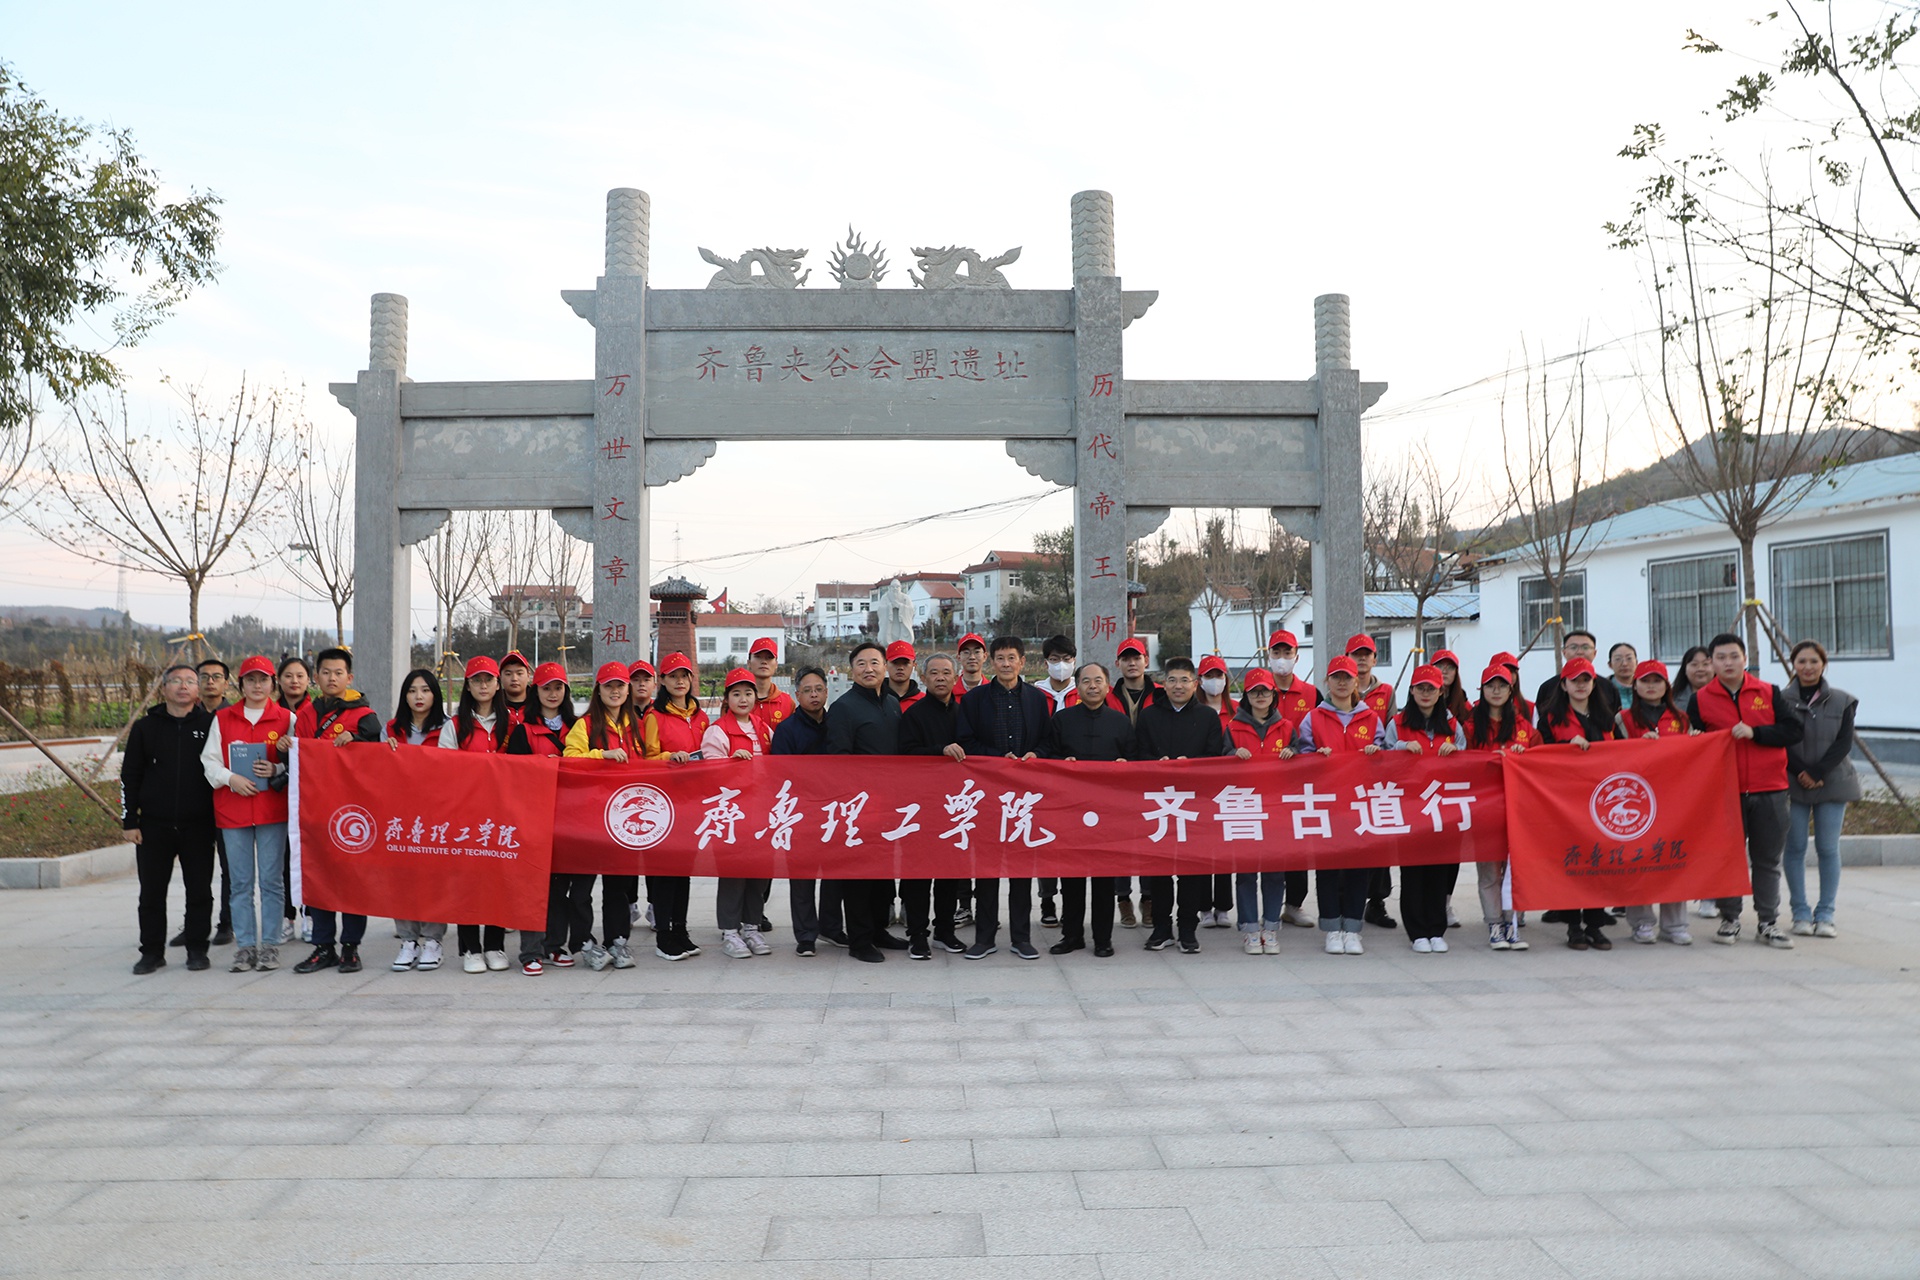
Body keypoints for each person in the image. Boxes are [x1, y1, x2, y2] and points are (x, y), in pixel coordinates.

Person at [1689, 633, 1805, 948]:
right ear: (1712, 663)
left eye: (1733, 656)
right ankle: (1730, 919)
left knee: (1767, 860)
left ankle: (1768, 922)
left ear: (1745, 659)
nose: (1728, 663)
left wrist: (1756, 733)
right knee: (1728, 858)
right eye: (1721, 657)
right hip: (1725, 793)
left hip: (1770, 789)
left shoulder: (1768, 692)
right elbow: (1694, 739)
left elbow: (1794, 731)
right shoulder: (1700, 699)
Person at [956, 635, 1051, 960]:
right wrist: (998, 758)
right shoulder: (974, 700)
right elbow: (966, 741)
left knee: (1021, 868)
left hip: (1023, 797)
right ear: (991, 661)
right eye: (1000, 658)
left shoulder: (1037, 699)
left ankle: (1021, 937)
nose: (1006, 664)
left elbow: (1048, 741)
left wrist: (1036, 754)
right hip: (987, 794)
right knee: (986, 869)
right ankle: (984, 937)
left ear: (1022, 662)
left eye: (1012, 658)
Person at [198, 656, 292, 973]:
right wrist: (230, 779)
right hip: (233, 811)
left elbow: (300, 760)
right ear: (240, 685)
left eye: (263, 679)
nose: (257, 685)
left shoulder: (286, 718)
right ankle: (246, 946)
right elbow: (209, 761)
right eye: (250, 680)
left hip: (272, 811)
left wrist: (277, 768)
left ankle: (271, 945)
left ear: (272, 684)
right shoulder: (223, 718)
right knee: (240, 883)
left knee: (272, 881)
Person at [122, 664, 217, 975]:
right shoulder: (145, 728)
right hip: (153, 825)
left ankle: (197, 949)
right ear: (164, 688)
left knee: (199, 891)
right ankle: (151, 952)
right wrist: (130, 820)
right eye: (176, 681)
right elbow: (130, 775)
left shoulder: (211, 725)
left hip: (199, 824)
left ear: (198, 689)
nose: (183, 686)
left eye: (190, 681)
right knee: (151, 893)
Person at [292, 646, 381, 975]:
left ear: (350, 677)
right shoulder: (306, 715)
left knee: (353, 880)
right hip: (316, 809)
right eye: (326, 672)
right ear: (316, 677)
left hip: (353, 812)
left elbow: (377, 759)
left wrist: (355, 740)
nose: (332, 678)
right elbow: (300, 757)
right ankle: (323, 947)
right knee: (319, 877)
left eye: (338, 673)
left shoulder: (364, 716)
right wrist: (288, 748)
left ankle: (351, 948)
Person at [1135, 656, 1230, 955]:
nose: (1178, 686)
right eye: (1172, 680)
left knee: (1192, 871)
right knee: (1159, 870)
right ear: (1163, 683)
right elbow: (1138, 753)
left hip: (1194, 804)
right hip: (1158, 803)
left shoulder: (1207, 717)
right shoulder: (1149, 715)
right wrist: (1157, 763)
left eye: (1184, 680)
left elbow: (1214, 757)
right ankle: (1161, 929)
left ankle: (1188, 930)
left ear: (1195, 684)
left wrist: (1191, 765)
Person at [823, 640, 910, 962]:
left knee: (883, 875)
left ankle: (878, 930)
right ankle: (859, 941)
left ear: (885, 667)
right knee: (859, 876)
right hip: (859, 807)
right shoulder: (844, 708)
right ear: (852, 670)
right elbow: (838, 760)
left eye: (875, 662)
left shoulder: (892, 703)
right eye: (861, 663)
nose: (869, 669)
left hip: (890, 804)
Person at [570, 661, 663, 963]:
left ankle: (617, 940)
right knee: (581, 888)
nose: (615, 691)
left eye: (620, 685)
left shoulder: (635, 726)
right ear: (597, 690)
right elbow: (570, 759)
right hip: (588, 817)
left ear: (627, 690)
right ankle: (583, 942)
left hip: (621, 820)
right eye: (608, 685)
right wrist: (603, 755)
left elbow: (647, 761)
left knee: (619, 886)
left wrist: (672, 759)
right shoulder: (585, 725)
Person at [1290, 655, 1383, 955]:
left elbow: (1385, 758)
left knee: (1358, 868)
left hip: (1360, 804)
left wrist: (1376, 753)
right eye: (1336, 677)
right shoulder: (1313, 718)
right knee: (1328, 869)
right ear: (1327, 681)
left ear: (1357, 682)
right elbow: (1302, 755)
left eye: (1347, 678)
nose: (1341, 683)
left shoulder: (1371, 718)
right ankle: (1332, 928)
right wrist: (1315, 756)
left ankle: (1352, 929)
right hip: (1326, 804)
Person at [1042, 662, 1135, 959]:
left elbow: (1135, 760)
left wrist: (1125, 766)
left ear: (1107, 686)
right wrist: (1062, 763)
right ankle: (1072, 935)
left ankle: (1103, 938)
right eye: (1086, 681)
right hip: (1071, 810)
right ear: (1077, 686)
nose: (1092, 686)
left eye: (1098, 681)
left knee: (1104, 879)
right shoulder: (1062, 719)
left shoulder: (1120, 722)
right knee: (1071, 876)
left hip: (1108, 812)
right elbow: (1048, 757)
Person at [1535, 657, 1621, 951]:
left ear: (1594, 684)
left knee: (1599, 862)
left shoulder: (1607, 717)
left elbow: (1624, 751)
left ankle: (1595, 925)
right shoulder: (1550, 719)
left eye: (1586, 680)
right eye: (1575, 681)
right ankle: (1573, 926)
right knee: (1572, 864)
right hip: (1566, 802)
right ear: (1564, 685)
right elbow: (1540, 755)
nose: (1581, 685)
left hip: (1602, 801)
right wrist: (1565, 747)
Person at [1382, 665, 1465, 954]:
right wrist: (1400, 747)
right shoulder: (1398, 723)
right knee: (1413, 872)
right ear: (1412, 691)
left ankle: (1436, 929)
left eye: (1431, 688)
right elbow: (1382, 758)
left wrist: (1456, 751)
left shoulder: (1452, 725)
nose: (1426, 693)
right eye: (1420, 688)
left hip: (1442, 808)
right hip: (1410, 808)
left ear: (1441, 692)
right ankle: (1417, 931)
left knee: (1439, 871)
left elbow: (1467, 759)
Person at [1613, 659, 1696, 946]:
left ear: (1666, 686)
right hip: (1638, 801)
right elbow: (1613, 758)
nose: (1651, 686)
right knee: (1638, 861)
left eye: (1656, 681)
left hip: (1674, 800)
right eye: (1645, 681)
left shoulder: (1681, 718)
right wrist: (1637, 746)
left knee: (1673, 859)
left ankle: (1675, 925)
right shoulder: (1622, 719)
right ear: (1635, 686)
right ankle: (1642, 923)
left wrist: (1695, 742)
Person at [895, 653, 970, 958]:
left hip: (956, 807)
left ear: (956, 678)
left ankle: (945, 931)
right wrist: (940, 751)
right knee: (918, 874)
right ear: (923, 678)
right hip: (921, 806)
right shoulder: (914, 715)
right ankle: (917, 934)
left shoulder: (965, 713)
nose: (940, 678)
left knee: (950, 873)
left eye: (946, 673)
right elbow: (905, 753)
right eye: (934, 673)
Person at [440, 656, 510, 973]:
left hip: (502, 817)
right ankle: (470, 948)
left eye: (488, 680)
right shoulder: (454, 726)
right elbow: (444, 770)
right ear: (467, 686)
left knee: (498, 881)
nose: (483, 686)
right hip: (466, 817)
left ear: (497, 684)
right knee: (467, 883)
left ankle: (495, 945)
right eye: (476, 680)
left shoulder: (512, 725)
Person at [1784, 640, 1857, 939]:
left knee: (1828, 848)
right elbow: (1780, 740)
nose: (1808, 667)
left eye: (1814, 661)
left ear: (1824, 664)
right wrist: (1801, 771)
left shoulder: (1842, 700)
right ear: (1793, 664)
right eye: (1802, 661)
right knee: (1795, 848)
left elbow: (1844, 742)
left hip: (1832, 780)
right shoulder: (1780, 700)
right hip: (1792, 781)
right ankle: (1800, 913)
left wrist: (1817, 772)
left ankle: (1826, 913)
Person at [510, 662, 580, 973]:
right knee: (533, 886)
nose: (553, 694)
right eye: (546, 688)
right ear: (535, 691)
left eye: (558, 687)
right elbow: (514, 775)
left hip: (569, 818)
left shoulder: (577, 728)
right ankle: (531, 952)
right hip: (534, 818)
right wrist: (544, 766)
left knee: (561, 887)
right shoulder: (523, 731)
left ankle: (555, 945)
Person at [700, 668, 774, 960]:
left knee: (759, 872)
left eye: (748, 693)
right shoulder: (718, 730)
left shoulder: (763, 728)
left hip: (761, 812)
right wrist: (732, 762)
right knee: (733, 873)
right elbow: (710, 771)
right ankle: (730, 931)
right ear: (727, 699)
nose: (743, 699)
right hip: (731, 814)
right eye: (736, 694)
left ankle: (752, 926)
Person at [772, 667, 846, 956]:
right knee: (802, 877)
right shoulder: (787, 730)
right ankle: (805, 936)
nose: (814, 695)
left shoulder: (838, 724)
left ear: (827, 692)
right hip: (800, 812)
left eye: (818, 689)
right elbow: (780, 774)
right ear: (797, 695)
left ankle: (831, 928)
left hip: (834, 811)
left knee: (835, 874)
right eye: (807, 690)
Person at [639, 652, 707, 961]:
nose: (680, 681)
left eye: (684, 675)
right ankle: (664, 935)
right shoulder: (655, 716)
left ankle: (681, 930)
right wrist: (670, 757)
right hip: (666, 802)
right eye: (673, 676)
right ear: (663, 681)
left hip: (692, 801)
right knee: (667, 870)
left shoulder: (701, 716)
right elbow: (648, 757)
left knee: (684, 871)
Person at [1465, 665, 1537, 953]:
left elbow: (1541, 759)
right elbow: (1460, 764)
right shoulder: (1471, 727)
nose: (1496, 691)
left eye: (1502, 686)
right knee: (1489, 872)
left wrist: (1524, 755)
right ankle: (1494, 924)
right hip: (1484, 808)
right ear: (1482, 690)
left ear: (1511, 690)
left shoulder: (1523, 727)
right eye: (1490, 686)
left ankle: (1513, 923)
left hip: (1518, 808)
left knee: (1516, 869)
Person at [382, 668, 449, 971]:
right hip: (401, 815)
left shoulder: (448, 728)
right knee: (402, 877)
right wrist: (385, 753)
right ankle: (408, 940)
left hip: (435, 814)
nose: (418, 696)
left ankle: (433, 940)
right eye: (412, 691)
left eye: (425, 690)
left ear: (435, 695)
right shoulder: (391, 729)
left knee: (434, 878)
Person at [1226, 668, 1292, 955]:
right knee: (1246, 873)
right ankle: (1250, 929)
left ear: (1273, 695)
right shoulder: (1233, 728)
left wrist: (1293, 754)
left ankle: (1271, 927)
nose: (1261, 696)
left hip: (1277, 810)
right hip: (1244, 809)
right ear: (1246, 696)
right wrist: (1232, 755)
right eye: (1255, 692)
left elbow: (1303, 762)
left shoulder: (1287, 727)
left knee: (1275, 872)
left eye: (1265, 691)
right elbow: (1218, 762)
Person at [1341, 636, 1398, 930]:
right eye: (1356, 654)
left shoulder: (1386, 692)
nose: (1362, 659)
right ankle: (1345, 901)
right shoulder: (1338, 689)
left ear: (1375, 659)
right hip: (1342, 780)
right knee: (1347, 840)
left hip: (1376, 778)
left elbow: (1392, 730)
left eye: (1367, 654)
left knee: (1377, 840)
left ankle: (1376, 902)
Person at [179, 656, 235, 949]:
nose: (210, 682)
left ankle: (227, 923)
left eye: (216, 677)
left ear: (227, 683)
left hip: (227, 801)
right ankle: (194, 925)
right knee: (196, 870)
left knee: (230, 868)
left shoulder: (234, 716)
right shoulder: (185, 716)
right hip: (194, 804)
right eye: (204, 677)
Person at [1268, 630, 1319, 930]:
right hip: (1267, 784)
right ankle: (1271, 905)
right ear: (1269, 656)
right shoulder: (1258, 690)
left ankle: (1294, 905)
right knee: (1273, 846)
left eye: (1287, 653)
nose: (1282, 659)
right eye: (1277, 653)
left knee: (1299, 845)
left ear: (1297, 657)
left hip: (1301, 782)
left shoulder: (1311, 694)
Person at [1190, 654, 1239, 930]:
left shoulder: (1237, 711)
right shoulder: (1195, 711)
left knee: (1223, 852)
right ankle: (1204, 908)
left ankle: (1223, 907)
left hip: (1230, 789)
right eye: (1209, 676)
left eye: (1219, 675)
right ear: (1200, 680)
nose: (1214, 681)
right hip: (1200, 790)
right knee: (1201, 851)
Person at [274, 655, 313, 945]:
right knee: (284, 860)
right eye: (288, 676)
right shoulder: (271, 713)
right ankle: (287, 917)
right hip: (278, 798)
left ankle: (310, 915)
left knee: (309, 858)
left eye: (300, 676)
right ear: (279, 680)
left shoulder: (318, 711)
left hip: (311, 798)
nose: (294, 681)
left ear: (309, 680)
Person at [1532, 630, 1619, 720]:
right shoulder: (1547, 688)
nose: (1580, 652)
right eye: (1573, 647)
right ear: (1564, 652)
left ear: (1594, 653)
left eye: (1585, 647)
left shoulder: (1608, 687)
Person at [748, 639, 795, 729]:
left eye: (769, 657)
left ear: (776, 664)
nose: (764, 662)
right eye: (758, 657)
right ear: (749, 663)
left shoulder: (787, 703)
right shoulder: (736, 701)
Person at [497, 650, 533, 737]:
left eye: (519, 673)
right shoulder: (493, 707)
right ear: (500, 677)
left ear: (528, 676)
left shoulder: (540, 705)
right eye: (508, 674)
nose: (514, 678)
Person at [1038, 634, 1077, 712]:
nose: (1061, 664)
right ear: (1046, 663)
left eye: (1066, 659)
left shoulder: (1082, 693)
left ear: (1074, 662)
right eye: (1055, 659)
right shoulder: (1036, 695)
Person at [884, 640, 924, 711]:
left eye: (905, 663)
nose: (900, 668)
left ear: (914, 665)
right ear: (885, 665)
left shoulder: (923, 701)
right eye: (895, 663)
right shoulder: (875, 699)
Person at [1672, 645, 1713, 713]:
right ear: (1685, 669)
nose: (1700, 669)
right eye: (1694, 664)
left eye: (1705, 664)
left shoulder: (1725, 695)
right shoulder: (1672, 697)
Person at [1606, 641, 1638, 709]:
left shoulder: (1644, 689)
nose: (1624, 664)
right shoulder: (1602, 690)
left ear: (1636, 663)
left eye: (1629, 658)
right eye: (1618, 659)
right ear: (1610, 664)